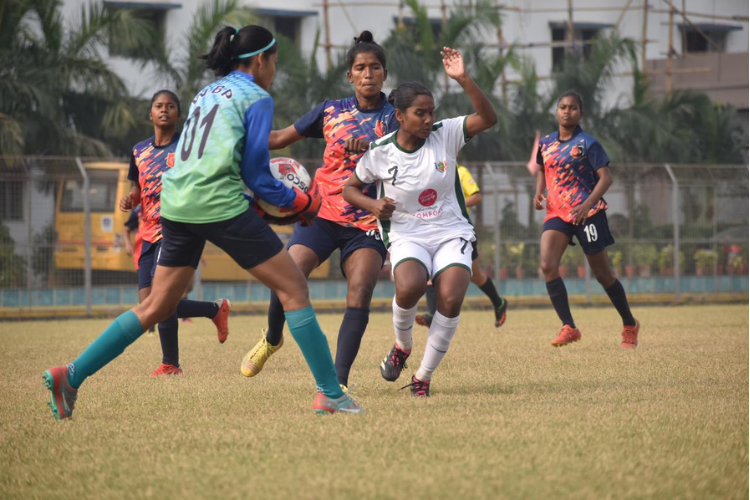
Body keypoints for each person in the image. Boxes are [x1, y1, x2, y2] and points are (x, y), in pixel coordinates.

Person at [43, 24, 362, 419]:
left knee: (157, 306)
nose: (274, 70)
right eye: (275, 62)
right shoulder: (257, 97)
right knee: (294, 287)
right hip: (217, 204)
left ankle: (70, 375)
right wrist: (301, 201)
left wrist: (266, 203)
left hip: (175, 205)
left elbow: (218, 160)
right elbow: (257, 174)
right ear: (260, 60)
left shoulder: (206, 93)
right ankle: (331, 393)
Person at [240, 30, 396, 391]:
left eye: (375, 67)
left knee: (359, 290)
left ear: (385, 74)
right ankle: (273, 338)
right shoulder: (331, 111)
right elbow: (278, 138)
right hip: (322, 215)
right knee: (287, 274)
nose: (368, 73)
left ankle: (337, 384)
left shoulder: (395, 118)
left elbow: (408, 153)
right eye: (360, 67)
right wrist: (238, 138)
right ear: (350, 76)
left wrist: (375, 147)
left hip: (369, 221)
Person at [343, 47, 498, 397]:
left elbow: (488, 118)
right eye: (420, 113)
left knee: (452, 295)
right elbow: (349, 189)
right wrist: (373, 203)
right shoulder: (380, 151)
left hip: (451, 231)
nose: (428, 120)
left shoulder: (446, 133)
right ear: (400, 115)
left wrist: (463, 78)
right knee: (409, 287)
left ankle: (423, 379)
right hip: (407, 233)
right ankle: (402, 346)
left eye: (431, 113)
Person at [119, 90, 231, 377]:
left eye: (170, 106)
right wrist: (131, 199)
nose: (164, 110)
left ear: (178, 114)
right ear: (151, 114)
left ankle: (170, 364)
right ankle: (213, 309)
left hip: (177, 229)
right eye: (158, 106)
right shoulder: (139, 151)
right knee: (150, 306)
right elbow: (137, 189)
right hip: (148, 232)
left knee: (161, 297)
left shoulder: (188, 146)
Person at [534, 91, 639, 348]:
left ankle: (629, 323)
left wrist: (587, 204)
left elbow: (606, 178)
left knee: (602, 275)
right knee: (547, 265)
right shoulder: (546, 143)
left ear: (580, 113)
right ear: (556, 111)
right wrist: (538, 192)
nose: (566, 111)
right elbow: (542, 169)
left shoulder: (587, 143)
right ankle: (569, 326)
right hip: (558, 213)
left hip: (588, 214)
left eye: (572, 107)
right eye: (562, 107)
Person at [415, 163, 508, 329]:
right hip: (434, 230)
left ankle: (499, 302)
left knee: (475, 275)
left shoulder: (460, 171)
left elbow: (477, 196)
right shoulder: (428, 170)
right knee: (431, 270)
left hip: (460, 230)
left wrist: (456, 202)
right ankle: (431, 314)